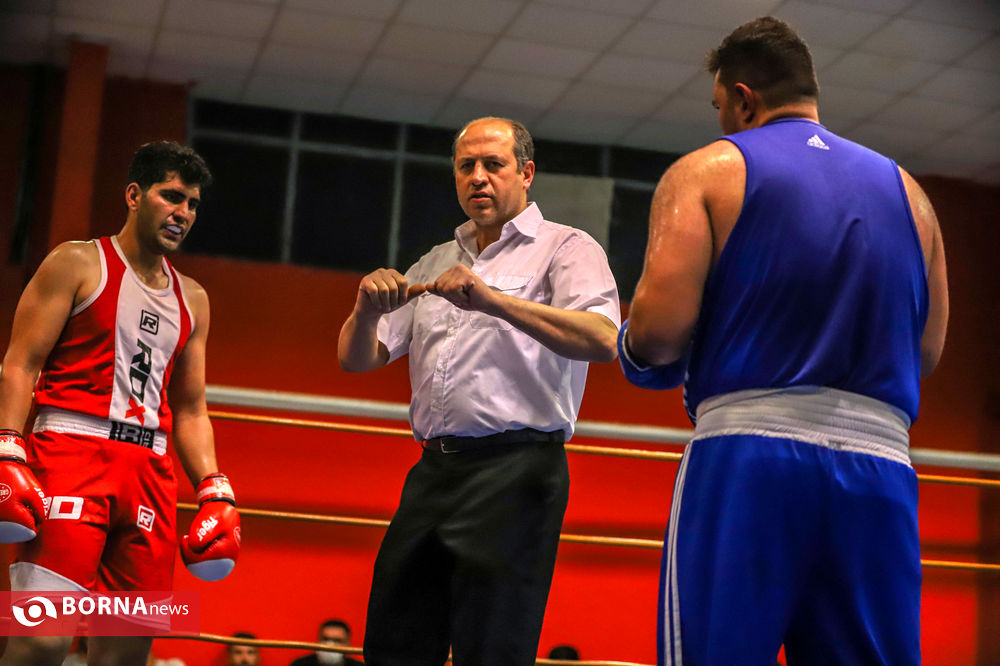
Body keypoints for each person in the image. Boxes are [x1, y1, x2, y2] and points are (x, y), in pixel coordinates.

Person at [620, 16, 948, 666]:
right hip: (881, 470)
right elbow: (927, 353)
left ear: (744, 99)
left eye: (720, 106)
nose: (722, 121)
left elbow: (658, 335)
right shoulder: (912, 195)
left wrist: (634, 352)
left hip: (751, 457)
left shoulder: (707, 171)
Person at [338, 116, 620, 665]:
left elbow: (603, 339)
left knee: (491, 650)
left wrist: (493, 301)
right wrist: (364, 310)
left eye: (494, 164)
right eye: (466, 165)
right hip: (434, 470)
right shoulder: (435, 260)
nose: (478, 177)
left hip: (518, 470)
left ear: (526, 173)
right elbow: (357, 359)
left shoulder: (566, 248)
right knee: (394, 642)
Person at [0, 141, 242, 664]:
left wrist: (214, 488)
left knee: (126, 654)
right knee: (40, 641)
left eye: (193, 204)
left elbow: (191, 408)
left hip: (150, 474)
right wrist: (8, 448)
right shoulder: (76, 262)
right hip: (70, 456)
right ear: (134, 195)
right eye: (171, 196)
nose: (183, 213)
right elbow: (20, 363)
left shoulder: (193, 298)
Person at [289, 618, 362, 665]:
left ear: (348, 644)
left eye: (337, 641)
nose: (330, 645)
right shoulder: (300, 664)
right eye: (325, 639)